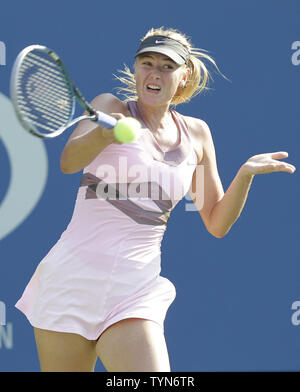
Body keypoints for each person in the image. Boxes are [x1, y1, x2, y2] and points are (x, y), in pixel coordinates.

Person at [15, 27, 296, 372]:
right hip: (69, 284)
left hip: (135, 290)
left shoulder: (197, 134)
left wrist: (244, 175)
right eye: (147, 63)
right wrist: (106, 133)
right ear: (135, 70)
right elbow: (68, 162)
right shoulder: (108, 107)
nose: (155, 73)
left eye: (166, 66)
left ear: (184, 76)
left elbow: (216, 221)